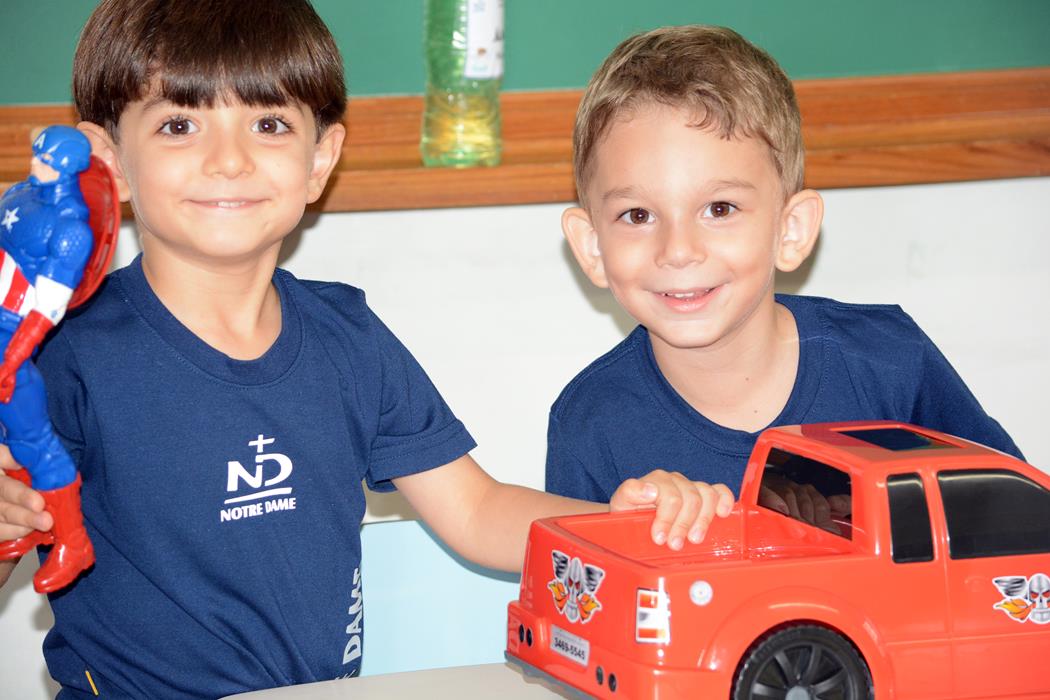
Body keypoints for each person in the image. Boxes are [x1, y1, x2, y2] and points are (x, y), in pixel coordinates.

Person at [0, 3, 729, 697]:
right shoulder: (61, 359)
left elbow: (476, 511)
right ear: (107, 162)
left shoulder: (347, 337)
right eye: (180, 125)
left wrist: (622, 527)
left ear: (321, 159)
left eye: (268, 124)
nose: (228, 161)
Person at [546, 25, 1022, 521]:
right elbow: (572, 571)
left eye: (720, 208)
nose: (679, 251)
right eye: (638, 215)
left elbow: (1015, 523)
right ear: (591, 246)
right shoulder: (589, 422)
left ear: (791, 230)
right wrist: (637, 536)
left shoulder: (891, 363)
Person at [0, 126, 95, 593]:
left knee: (35, 442)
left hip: (13, 342)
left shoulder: (71, 230)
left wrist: (12, 359)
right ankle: (23, 530)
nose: (38, 162)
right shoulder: (17, 194)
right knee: (9, 439)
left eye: (48, 159)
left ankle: (73, 542)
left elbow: (47, 310)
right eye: (38, 154)